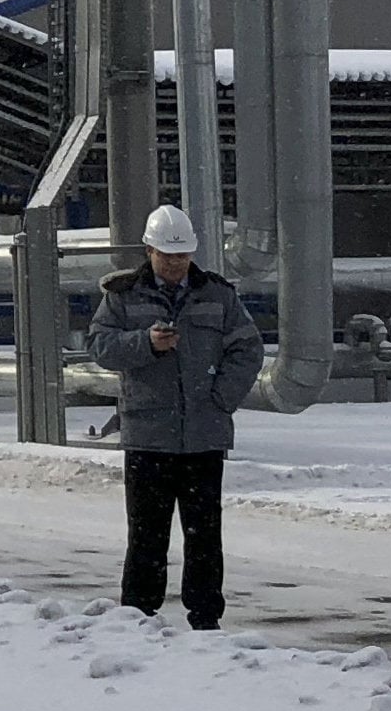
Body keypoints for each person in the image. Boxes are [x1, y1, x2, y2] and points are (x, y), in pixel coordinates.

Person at [87, 203, 264, 629]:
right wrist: (145, 344)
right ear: (149, 250)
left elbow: (248, 349)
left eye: (182, 255)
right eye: (167, 255)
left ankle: (205, 616)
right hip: (148, 434)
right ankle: (138, 614)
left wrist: (220, 398)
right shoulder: (122, 296)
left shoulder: (218, 295)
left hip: (203, 434)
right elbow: (100, 347)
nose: (174, 263)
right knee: (147, 533)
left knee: (204, 534)